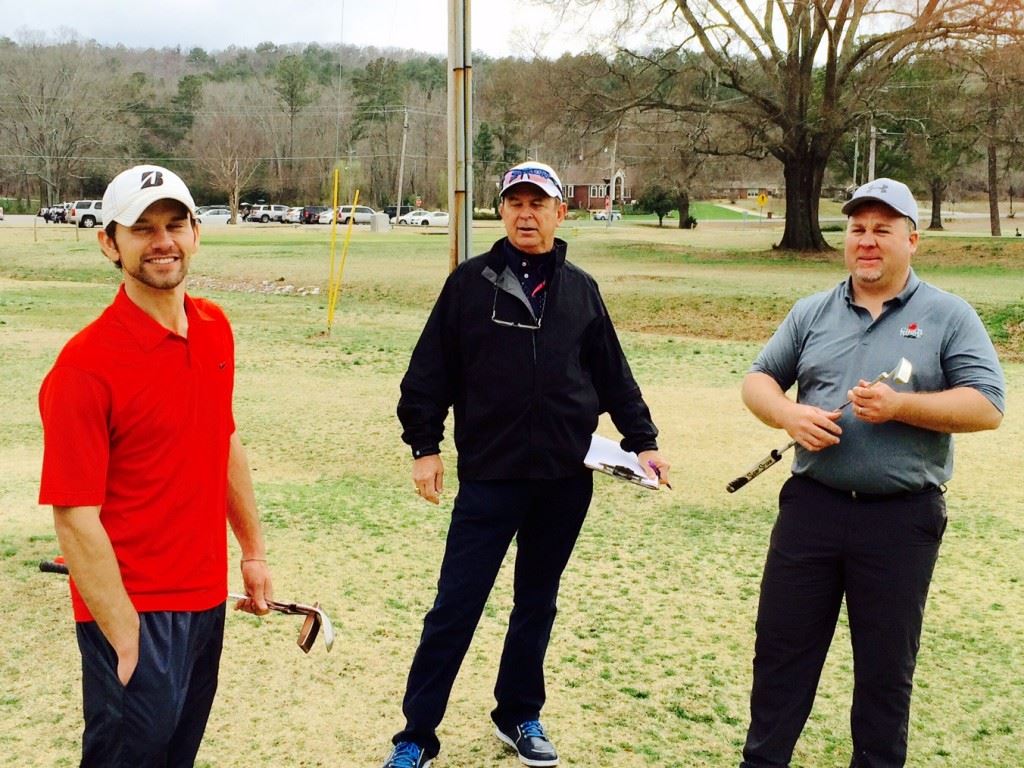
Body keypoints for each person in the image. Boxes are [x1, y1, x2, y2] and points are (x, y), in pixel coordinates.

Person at [383, 161, 671, 768]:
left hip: (565, 481)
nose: (526, 214)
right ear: (503, 211)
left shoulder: (581, 290)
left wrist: (642, 440)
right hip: (491, 478)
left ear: (560, 213)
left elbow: (614, 375)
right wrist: (424, 446)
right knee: (454, 606)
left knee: (536, 602)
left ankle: (519, 715)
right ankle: (415, 735)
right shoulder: (470, 283)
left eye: (538, 203)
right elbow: (429, 373)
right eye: (515, 203)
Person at [738, 178, 1005, 768]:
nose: (867, 241)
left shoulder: (948, 315)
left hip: (901, 520)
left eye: (883, 230)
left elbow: (988, 404)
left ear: (912, 240)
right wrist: (789, 414)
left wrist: (903, 407)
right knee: (781, 656)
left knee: (885, 671)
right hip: (811, 509)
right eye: (858, 229)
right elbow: (758, 379)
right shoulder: (812, 312)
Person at [38, 164, 274, 767]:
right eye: (141, 229)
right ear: (108, 242)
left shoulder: (215, 328)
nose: (162, 240)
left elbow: (222, 440)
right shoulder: (84, 367)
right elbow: (74, 517)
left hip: (204, 602)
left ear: (197, 231)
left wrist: (251, 552)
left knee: (177, 755)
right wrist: (123, 635)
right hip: (133, 608)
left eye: (174, 224)